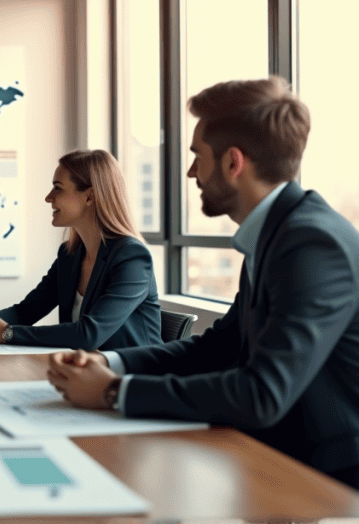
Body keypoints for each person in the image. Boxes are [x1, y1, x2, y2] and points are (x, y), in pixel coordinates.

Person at [46, 77, 359, 489]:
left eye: (197, 156)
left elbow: (262, 394)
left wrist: (114, 392)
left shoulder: (311, 244)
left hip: (324, 482)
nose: (191, 171)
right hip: (270, 457)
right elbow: (217, 347)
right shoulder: (275, 233)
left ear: (234, 163)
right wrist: (110, 363)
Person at [0, 150, 161, 350]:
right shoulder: (70, 255)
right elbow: (25, 312)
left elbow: (89, 334)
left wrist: (7, 334)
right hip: (85, 373)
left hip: (134, 380)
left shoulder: (132, 258)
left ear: (89, 197)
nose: (48, 197)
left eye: (58, 188)